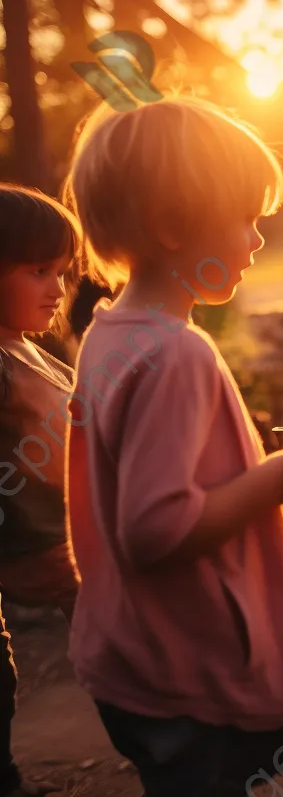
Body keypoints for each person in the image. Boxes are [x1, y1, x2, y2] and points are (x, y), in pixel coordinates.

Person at [60, 98, 283, 797]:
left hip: (130, 655)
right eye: (246, 218)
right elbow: (153, 529)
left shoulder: (110, 334)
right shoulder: (176, 355)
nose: (257, 240)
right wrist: (282, 478)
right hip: (183, 676)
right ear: (171, 226)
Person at [0, 186, 83, 797]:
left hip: (67, 545)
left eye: (61, 271)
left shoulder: (30, 352)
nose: (57, 288)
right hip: (34, 547)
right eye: (38, 271)